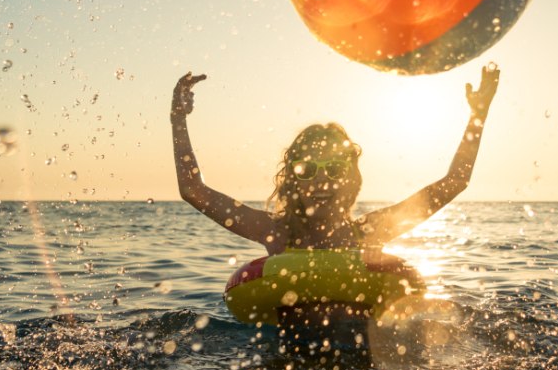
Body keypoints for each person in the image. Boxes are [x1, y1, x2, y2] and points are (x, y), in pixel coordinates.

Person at [170, 64, 499, 256]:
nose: (319, 181)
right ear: (292, 179)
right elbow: (193, 190)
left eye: (334, 169)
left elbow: (455, 181)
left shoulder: (369, 232)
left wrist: (478, 116)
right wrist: (178, 119)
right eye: (306, 170)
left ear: (351, 178)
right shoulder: (276, 233)